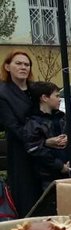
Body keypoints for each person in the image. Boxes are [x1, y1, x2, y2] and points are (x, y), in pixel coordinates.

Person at [21, 82, 71, 196]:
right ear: (44, 98)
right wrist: (59, 166)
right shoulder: (33, 122)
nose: (60, 99)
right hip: (47, 177)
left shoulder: (63, 117)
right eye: (57, 96)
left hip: (70, 171)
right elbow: (35, 149)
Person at [0, 51, 38, 216]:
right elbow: (12, 126)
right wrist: (42, 140)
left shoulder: (35, 90)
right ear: (7, 67)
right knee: (27, 198)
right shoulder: (3, 93)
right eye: (18, 63)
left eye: (27, 64)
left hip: (43, 153)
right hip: (20, 152)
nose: (23, 67)